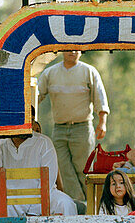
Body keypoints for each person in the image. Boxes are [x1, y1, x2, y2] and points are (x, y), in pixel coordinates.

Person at [35, 49, 109, 202]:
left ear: (81, 51)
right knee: (62, 170)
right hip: (59, 128)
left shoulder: (88, 71)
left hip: (82, 128)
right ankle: (77, 206)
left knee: (84, 169)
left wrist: (102, 122)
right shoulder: (50, 73)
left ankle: (93, 206)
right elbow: (36, 96)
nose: (72, 52)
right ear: (62, 51)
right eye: (68, 48)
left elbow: (100, 98)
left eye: (76, 48)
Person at [0, 125, 77, 217]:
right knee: (4, 205)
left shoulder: (44, 142)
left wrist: (34, 211)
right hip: (13, 198)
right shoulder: (1, 141)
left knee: (65, 203)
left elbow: (49, 181)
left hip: (44, 196)